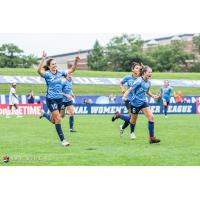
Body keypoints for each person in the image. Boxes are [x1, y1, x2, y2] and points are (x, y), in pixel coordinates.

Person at [38, 51, 80, 147]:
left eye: (55, 64)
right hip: (51, 99)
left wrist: (76, 61)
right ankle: (63, 140)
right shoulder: (47, 74)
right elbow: (39, 71)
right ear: (49, 66)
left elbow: (72, 70)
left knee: (54, 120)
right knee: (58, 118)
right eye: (53, 64)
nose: (55, 65)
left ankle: (44, 114)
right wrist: (43, 59)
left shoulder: (61, 73)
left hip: (59, 99)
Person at [122, 66, 160, 144]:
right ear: (144, 72)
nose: (151, 74)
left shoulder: (149, 82)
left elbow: (146, 91)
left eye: (151, 72)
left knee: (151, 117)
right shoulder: (138, 81)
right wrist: (124, 96)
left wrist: (153, 96)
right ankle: (131, 132)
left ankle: (151, 138)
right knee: (133, 121)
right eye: (149, 72)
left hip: (143, 102)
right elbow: (130, 89)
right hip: (135, 103)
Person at [111, 62, 143, 139]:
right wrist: (123, 90)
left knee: (131, 118)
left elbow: (146, 75)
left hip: (136, 100)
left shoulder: (140, 78)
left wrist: (143, 67)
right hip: (128, 99)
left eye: (139, 68)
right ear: (132, 70)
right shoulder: (128, 77)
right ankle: (132, 133)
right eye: (136, 68)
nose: (138, 69)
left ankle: (121, 125)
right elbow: (120, 83)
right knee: (132, 117)